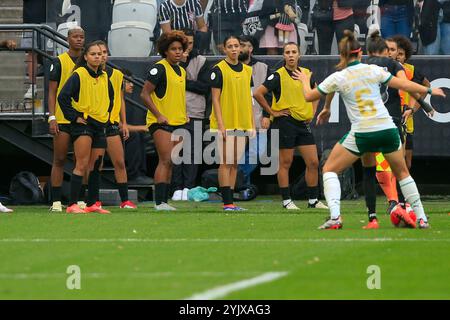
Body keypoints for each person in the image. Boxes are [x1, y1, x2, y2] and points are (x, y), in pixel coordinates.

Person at [295, 30, 445, 230]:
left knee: (329, 169)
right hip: (387, 128)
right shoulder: (373, 70)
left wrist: (305, 81)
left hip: (363, 132)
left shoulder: (338, 77)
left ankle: (335, 217)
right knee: (402, 173)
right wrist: (428, 90)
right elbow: (401, 83)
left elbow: (309, 96)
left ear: (342, 56)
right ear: (359, 54)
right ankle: (422, 218)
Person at [254, 42, 327, 210]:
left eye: (294, 52)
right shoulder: (278, 75)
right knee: (285, 162)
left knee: (313, 162)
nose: (291, 55)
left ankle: (313, 200)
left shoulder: (307, 74)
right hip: (285, 122)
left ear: (299, 55)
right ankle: (287, 200)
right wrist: (272, 112)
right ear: (284, 56)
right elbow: (258, 93)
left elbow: (317, 92)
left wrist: (313, 112)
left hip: (302, 123)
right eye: (287, 52)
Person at [58, 41, 114, 214]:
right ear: (86, 57)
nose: (98, 57)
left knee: (96, 166)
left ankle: (93, 204)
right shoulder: (79, 74)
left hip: (100, 125)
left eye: (100, 54)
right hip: (84, 125)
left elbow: (110, 100)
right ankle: (72, 205)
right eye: (93, 54)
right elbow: (63, 97)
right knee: (81, 163)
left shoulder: (105, 76)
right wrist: (74, 117)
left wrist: (106, 115)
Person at [140, 31, 189, 211]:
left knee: (171, 162)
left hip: (178, 120)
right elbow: (144, 94)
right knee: (165, 159)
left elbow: (178, 96)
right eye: (173, 49)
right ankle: (159, 202)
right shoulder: (159, 68)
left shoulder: (181, 71)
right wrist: (158, 114)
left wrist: (185, 112)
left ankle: (164, 201)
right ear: (165, 51)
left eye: (180, 49)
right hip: (161, 122)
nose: (177, 52)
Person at [209, 35, 254, 211]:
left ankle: (231, 202)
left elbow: (249, 100)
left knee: (235, 162)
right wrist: (220, 125)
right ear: (224, 49)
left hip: (242, 123)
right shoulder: (218, 70)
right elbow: (215, 99)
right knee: (226, 162)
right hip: (225, 122)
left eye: (237, 46)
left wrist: (251, 124)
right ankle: (226, 202)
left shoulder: (247, 71)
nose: (234, 49)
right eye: (230, 46)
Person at [48, 26, 85, 212]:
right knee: (60, 159)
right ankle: (55, 201)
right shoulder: (59, 61)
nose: (79, 40)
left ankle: (79, 200)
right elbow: (52, 91)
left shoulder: (88, 61)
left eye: (81, 37)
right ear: (68, 39)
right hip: (62, 118)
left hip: (82, 118)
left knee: (82, 160)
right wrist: (52, 117)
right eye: (75, 37)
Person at [97, 41, 137, 209]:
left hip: (112, 124)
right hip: (95, 124)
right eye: (99, 52)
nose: (102, 55)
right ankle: (91, 200)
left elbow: (121, 99)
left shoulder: (117, 74)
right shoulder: (86, 72)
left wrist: (124, 123)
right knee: (94, 165)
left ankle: (125, 201)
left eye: (105, 52)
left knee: (119, 162)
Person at [171, 29, 210, 201]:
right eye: (183, 43)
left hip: (195, 112)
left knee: (193, 152)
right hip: (173, 113)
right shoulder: (169, 63)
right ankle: (176, 188)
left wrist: (182, 82)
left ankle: (188, 187)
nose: (186, 47)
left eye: (190, 43)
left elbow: (204, 87)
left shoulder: (201, 61)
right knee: (175, 152)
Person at [237, 35, 271, 187]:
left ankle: (235, 179)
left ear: (250, 49)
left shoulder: (263, 68)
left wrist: (267, 115)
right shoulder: (227, 66)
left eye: (243, 45)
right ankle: (241, 187)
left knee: (256, 153)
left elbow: (269, 94)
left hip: (257, 119)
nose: (239, 48)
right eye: (238, 45)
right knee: (234, 156)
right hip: (235, 119)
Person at [22, 0, 47, 99]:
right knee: (31, 52)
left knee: (50, 52)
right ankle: (32, 87)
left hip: (50, 19)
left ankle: (52, 86)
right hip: (30, 20)